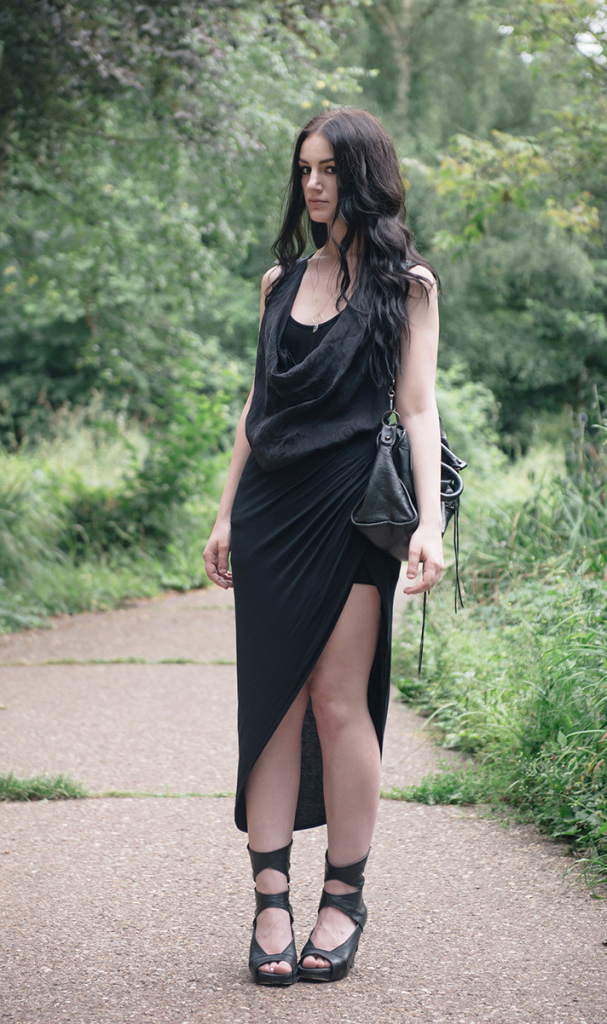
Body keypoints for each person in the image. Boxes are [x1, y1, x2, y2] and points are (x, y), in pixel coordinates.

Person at [203, 107, 444, 986]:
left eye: (330, 169)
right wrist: (227, 512)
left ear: (363, 176)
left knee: (339, 703)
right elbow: (256, 407)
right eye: (305, 168)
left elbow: (417, 408)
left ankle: (344, 896)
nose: (313, 184)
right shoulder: (279, 283)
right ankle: (271, 899)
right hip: (270, 513)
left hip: (350, 516)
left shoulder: (405, 286)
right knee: (272, 705)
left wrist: (431, 522)